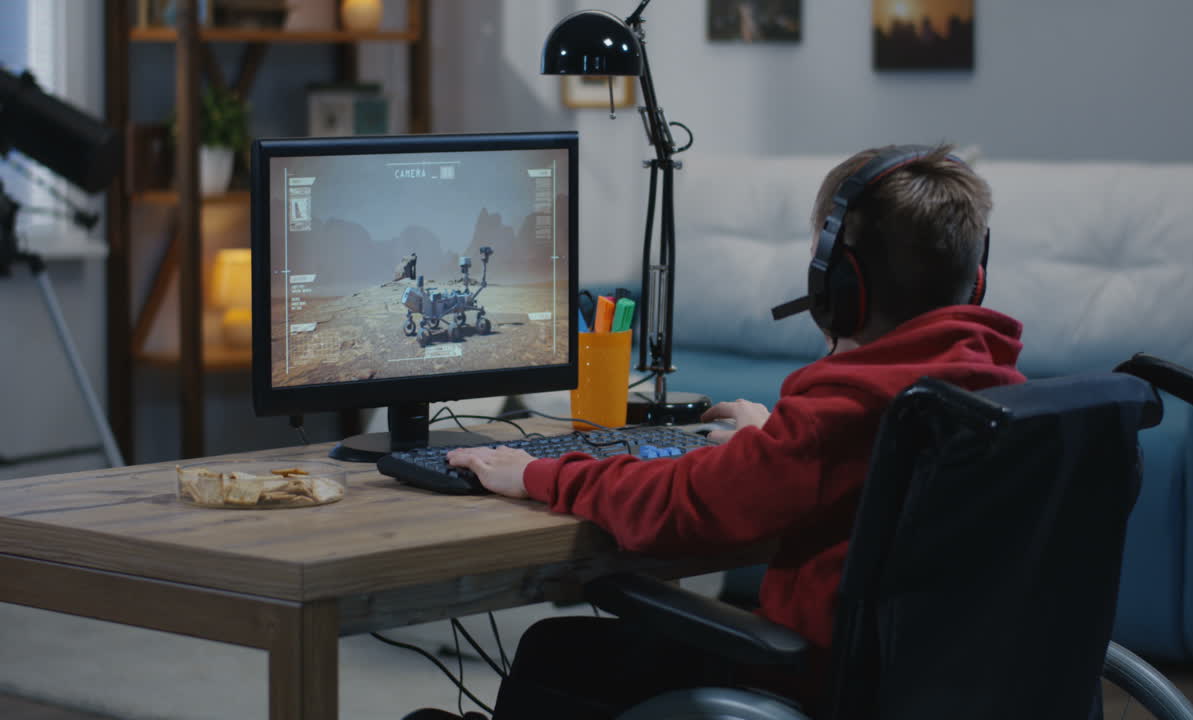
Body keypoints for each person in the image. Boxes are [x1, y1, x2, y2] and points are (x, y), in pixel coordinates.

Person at [408, 144, 1026, 719]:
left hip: (817, 682)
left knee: (557, 649)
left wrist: (540, 471)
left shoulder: (852, 406)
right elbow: (819, 465)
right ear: (974, 280)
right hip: (941, 687)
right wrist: (778, 435)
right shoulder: (1005, 397)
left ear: (840, 285)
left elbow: (680, 505)